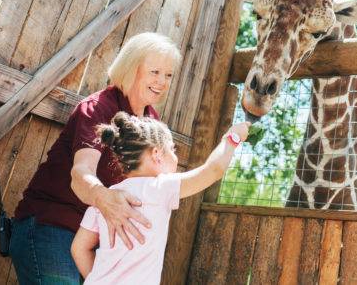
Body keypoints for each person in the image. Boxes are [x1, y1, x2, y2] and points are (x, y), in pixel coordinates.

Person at [9, 32, 186, 284]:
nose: (162, 81)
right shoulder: (97, 108)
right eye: (155, 72)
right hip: (52, 226)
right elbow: (81, 173)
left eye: (168, 75)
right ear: (131, 68)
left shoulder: (151, 122)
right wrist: (105, 198)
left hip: (96, 243)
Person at [71, 113, 250, 283]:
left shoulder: (105, 200)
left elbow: (79, 248)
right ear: (157, 154)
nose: (175, 156)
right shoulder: (160, 187)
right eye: (172, 149)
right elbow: (213, 170)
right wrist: (233, 136)